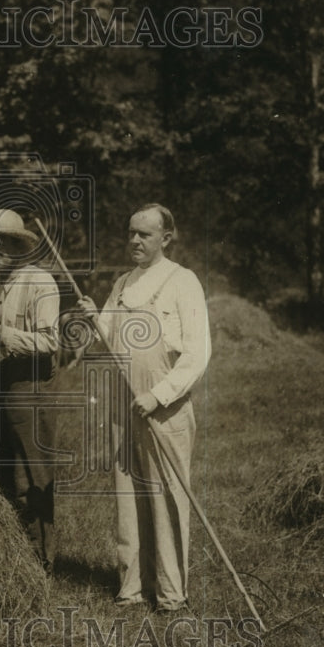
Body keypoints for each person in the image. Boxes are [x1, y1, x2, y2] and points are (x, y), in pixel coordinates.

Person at [79, 203, 211, 611]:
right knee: (128, 496)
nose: (134, 241)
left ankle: (171, 594)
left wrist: (159, 394)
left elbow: (198, 352)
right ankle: (131, 587)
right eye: (131, 233)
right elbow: (105, 345)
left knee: (166, 496)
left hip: (163, 407)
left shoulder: (182, 282)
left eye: (145, 235)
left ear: (166, 238)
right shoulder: (120, 285)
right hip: (123, 405)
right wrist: (91, 320)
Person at [0, 209, 61, 574]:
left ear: (15, 244)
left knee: (33, 476)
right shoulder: (1, 280)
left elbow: (50, 341)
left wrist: (3, 333)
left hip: (30, 386)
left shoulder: (41, 283)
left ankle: (42, 562)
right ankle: (9, 555)